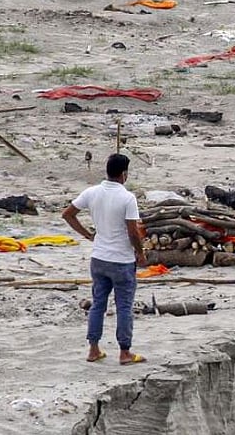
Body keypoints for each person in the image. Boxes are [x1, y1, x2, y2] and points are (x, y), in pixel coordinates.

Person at [62, 153, 148, 365]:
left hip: (98, 258)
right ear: (124, 174)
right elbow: (132, 231)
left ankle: (93, 349)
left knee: (98, 304)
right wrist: (141, 252)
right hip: (121, 260)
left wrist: (88, 235)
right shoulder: (128, 198)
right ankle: (125, 352)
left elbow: (68, 214)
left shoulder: (92, 192)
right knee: (124, 306)